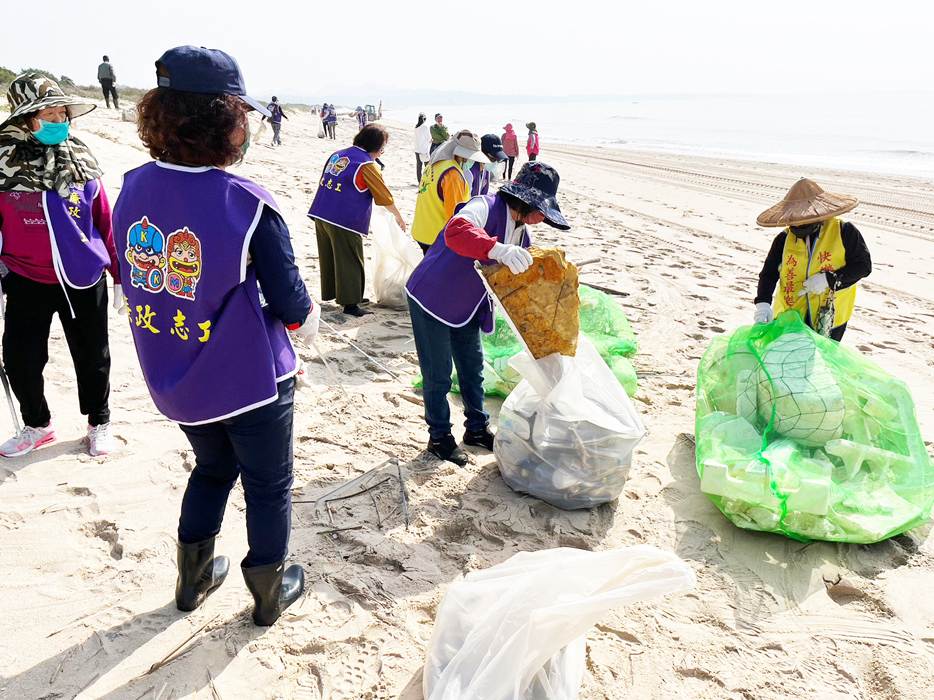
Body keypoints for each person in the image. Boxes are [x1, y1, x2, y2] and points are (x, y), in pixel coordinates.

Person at [113, 46, 319, 626]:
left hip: (175, 377)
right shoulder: (245, 202)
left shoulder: (130, 188)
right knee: (267, 486)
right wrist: (303, 318)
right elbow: (292, 304)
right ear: (221, 121)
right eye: (242, 116)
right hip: (252, 381)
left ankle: (192, 582)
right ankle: (268, 594)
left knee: (210, 470)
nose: (247, 127)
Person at [405, 162, 570, 464]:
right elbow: (457, 231)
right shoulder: (484, 205)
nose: (543, 218)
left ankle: (477, 428)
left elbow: (525, 272)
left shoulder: (521, 233)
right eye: (542, 210)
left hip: (467, 305)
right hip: (433, 297)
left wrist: (560, 276)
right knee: (438, 375)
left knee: (473, 369)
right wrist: (498, 250)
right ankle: (439, 436)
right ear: (526, 200)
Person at [0, 72, 121, 458]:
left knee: (93, 357)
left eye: (62, 114)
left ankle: (99, 422)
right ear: (25, 120)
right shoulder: (2, 164)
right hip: (24, 277)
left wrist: (119, 275)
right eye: (47, 115)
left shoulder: (81, 159)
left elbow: (105, 219)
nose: (59, 123)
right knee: (19, 358)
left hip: (82, 278)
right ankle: (37, 425)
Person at [753, 178, 871, 341]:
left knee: (823, 361)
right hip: (791, 316)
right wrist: (763, 303)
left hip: (829, 317)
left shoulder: (844, 231)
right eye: (795, 221)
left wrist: (829, 279)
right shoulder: (783, 239)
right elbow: (769, 274)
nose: (799, 225)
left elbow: (863, 266)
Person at [308, 123, 407, 317]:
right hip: (343, 217)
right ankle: (351, 304)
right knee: (350, 259)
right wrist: (398, 216)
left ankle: (338, 293)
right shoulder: (367, 165)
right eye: (382, 149)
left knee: (331, 256)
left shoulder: (338, 154)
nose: (380, 153)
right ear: (375, 146)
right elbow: (383, 196)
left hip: (322, 212)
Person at [411, 131, 487, 255]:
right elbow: (455, 213)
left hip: (421, 229)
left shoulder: (435, 164)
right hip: (436, 236)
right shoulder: (452, 173)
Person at [414, 112, 431, 184]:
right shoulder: (425, 127)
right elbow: (429, 138)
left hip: (417, 149)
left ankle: (419, 181)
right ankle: (427, 180)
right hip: (424, 149)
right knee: (427, 166)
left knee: (419, 166)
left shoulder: (416, 127)